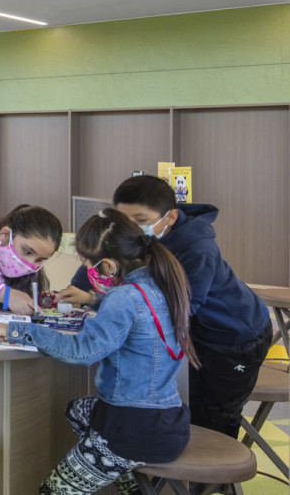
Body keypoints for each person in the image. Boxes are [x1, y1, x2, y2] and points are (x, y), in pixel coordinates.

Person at [0, 209, 197, 495]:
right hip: (168, 418)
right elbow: (138, 319)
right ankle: (129, 485)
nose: (87, 272)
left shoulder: (124, 298)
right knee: (77, 411)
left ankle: (114, 463)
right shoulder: (161, 284)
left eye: (87, 265)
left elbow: (84, 352)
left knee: (52, 491)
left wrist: (18, 331)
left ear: (107, 265)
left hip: (133, 430)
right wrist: (95, 300)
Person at [58, 175, 272, 440]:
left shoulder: (197, 249)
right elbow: (95, 265)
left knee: (212, 418)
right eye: (124, 221)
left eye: (140, 221)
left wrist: (106, 305)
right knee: (183, 405)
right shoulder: (135, 236)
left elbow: (176, 310)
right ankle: (169, 477)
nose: (131, 229)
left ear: (169, 217)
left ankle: (211, 481)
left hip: (234, 337)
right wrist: (81, 294)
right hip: (192, 335)